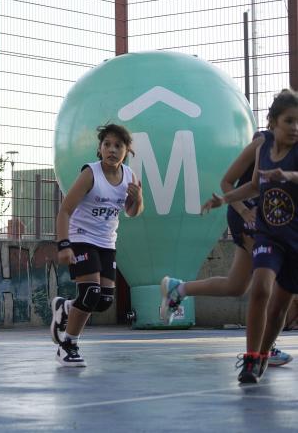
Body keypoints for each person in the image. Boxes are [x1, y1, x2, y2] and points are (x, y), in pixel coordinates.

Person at [159, 130, 292, 367]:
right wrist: (243, 210)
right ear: (275, 120)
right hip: (249, 215)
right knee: (267, 280)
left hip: (272, 219)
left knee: (237, 285)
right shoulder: (263, 142)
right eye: (289, 119)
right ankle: (265, 348)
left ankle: (179, 289)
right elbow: (226, 181)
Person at [201, 89, 298, 383]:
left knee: (280, 305)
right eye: (289, 121)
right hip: (269, 235)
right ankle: (251, 357)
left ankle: (264, 355)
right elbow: (254, 185)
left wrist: (289, 176)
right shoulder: (262, 147)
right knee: (260, 289)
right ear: (272, 123)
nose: (295, 128)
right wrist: (225, 199)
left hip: (295, 240)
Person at [50, 124, 143, 367]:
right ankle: (68, 345)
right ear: (99, 149)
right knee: (90, 293)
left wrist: (137, 199)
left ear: (126, 151)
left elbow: (132, 212)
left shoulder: (130, 177)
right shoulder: (90, 174)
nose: (112, 149)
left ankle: (65, 307)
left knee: (103, 301)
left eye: (118, 146)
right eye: (107, 145)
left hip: (106, 242)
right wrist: (63, 244)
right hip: (81, 238)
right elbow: (65, 211)